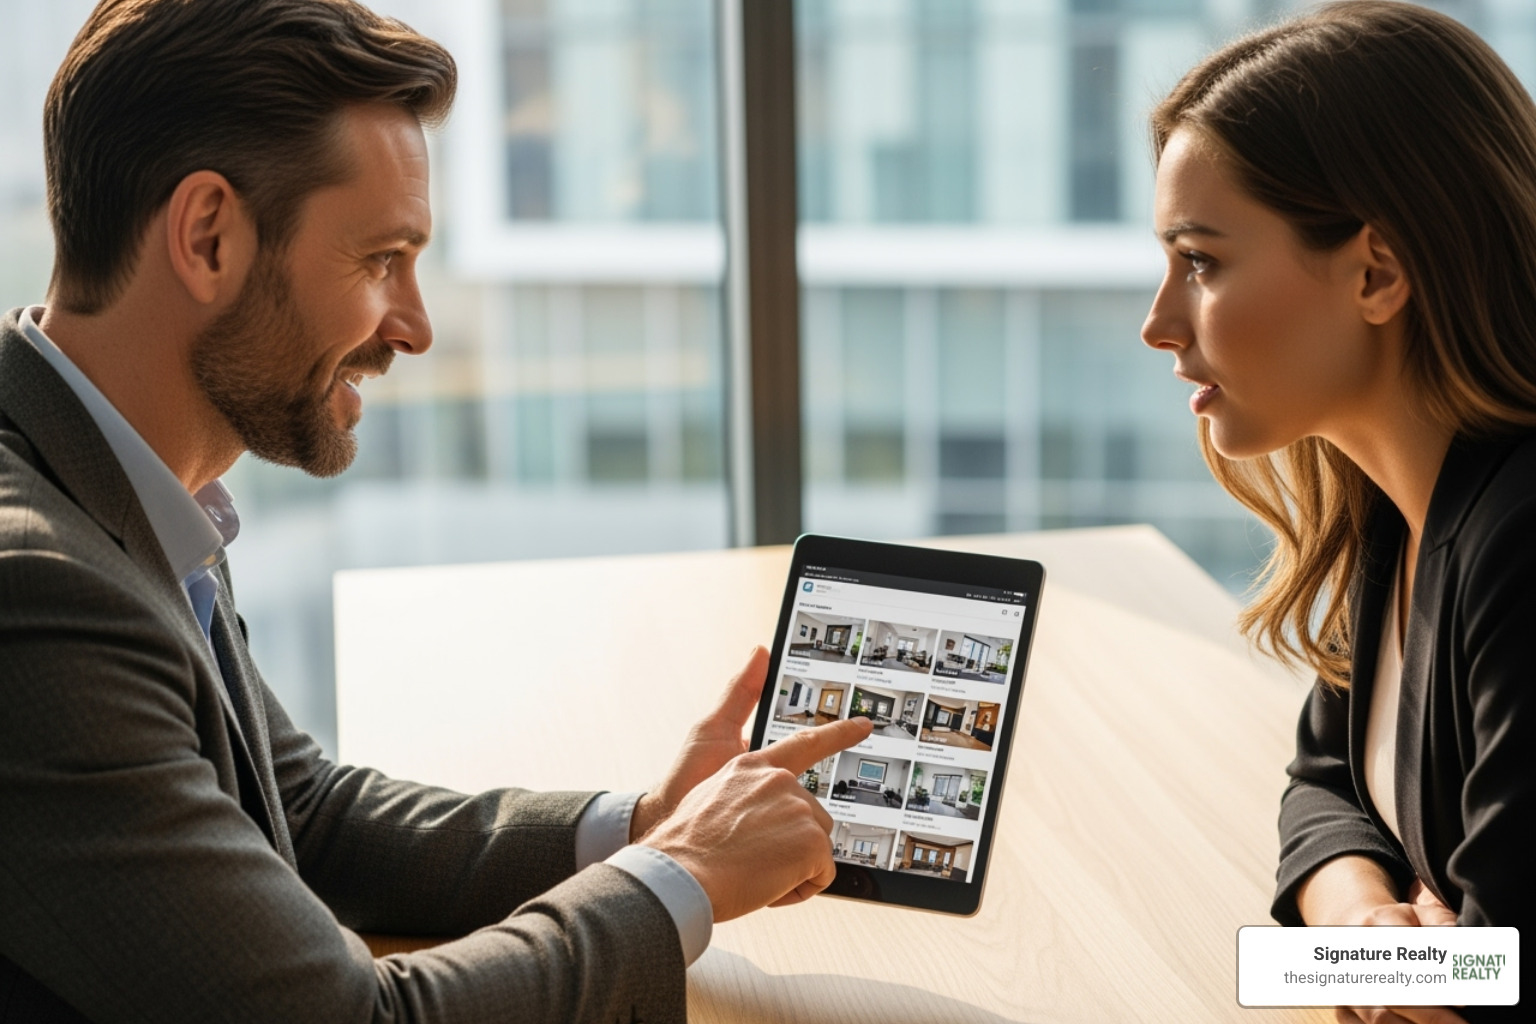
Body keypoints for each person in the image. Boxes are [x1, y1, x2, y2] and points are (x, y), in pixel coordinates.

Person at [0, 1, 872, 1021]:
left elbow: (305, 816)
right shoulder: (39, 592)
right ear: (208, 236)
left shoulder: (116, 474)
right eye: (380, 261)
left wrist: (644, 824)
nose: (414, 326)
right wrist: (682, 873)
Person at [1141, 3, 1534, 1022]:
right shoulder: (1396, 505)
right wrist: (1368, 926)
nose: (1158, 323)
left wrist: (1296, 965)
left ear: (1377, 272)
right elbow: (1324, 788)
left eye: (1201, 262)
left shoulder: (1523, 544)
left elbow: (1499, 981)